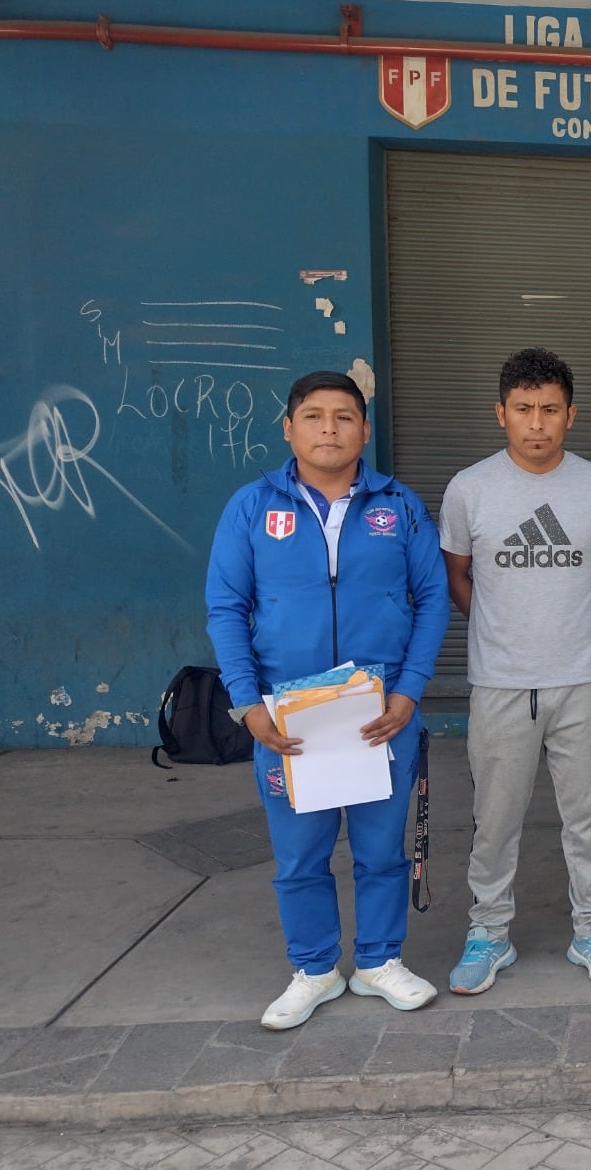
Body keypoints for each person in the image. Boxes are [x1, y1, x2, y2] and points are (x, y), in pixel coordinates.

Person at [206, 370, 448, 1030]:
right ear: (289, 428)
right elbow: (225, 607)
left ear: (365, 430)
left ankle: (378, 960)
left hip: (380, 712)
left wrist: (409, 690)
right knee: (299, 855)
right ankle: (314, 968)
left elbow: (432, 599)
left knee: (381, 850)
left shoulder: (399, 506)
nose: (329, 429)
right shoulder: (252, 507)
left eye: (344, 417)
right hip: (291, 717)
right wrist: (248, 702)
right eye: (314, 416)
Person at [440, 349, 591, 993]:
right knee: (494, 819)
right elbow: (457, 576)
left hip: (583, 679)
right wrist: (503, 628)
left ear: (571, 415)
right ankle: (489, 932)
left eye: (550, 409)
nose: (537, 423)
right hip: (500, 682)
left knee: (589, 818)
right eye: (523, 409)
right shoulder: (469, 489)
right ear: (501, 414)